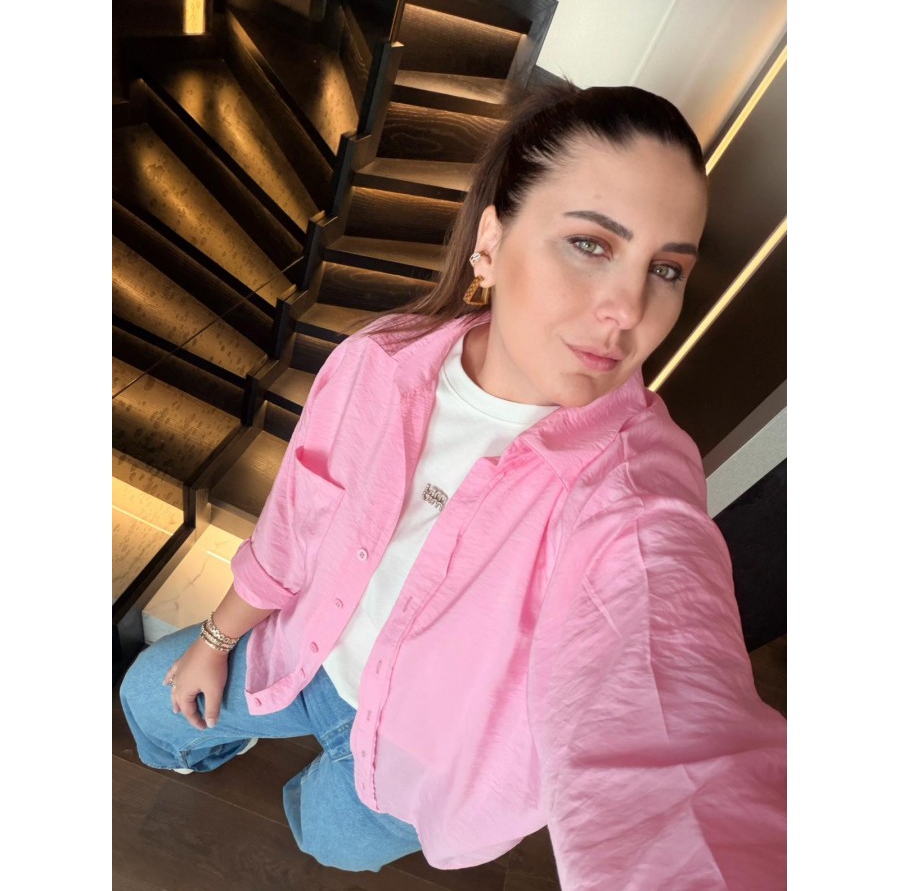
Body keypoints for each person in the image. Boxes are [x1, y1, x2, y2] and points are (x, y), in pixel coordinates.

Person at [120, 83, 787, 889]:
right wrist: (216, 639)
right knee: (148, 701)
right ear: (491, 242)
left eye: (667, 269)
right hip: (306, 653)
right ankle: (225, 743)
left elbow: (667, 693)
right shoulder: (379, 363)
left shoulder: (635, 492)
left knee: (325, 836)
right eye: (590, 244)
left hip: (421, 764)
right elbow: (295, 525)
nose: (627, 309)